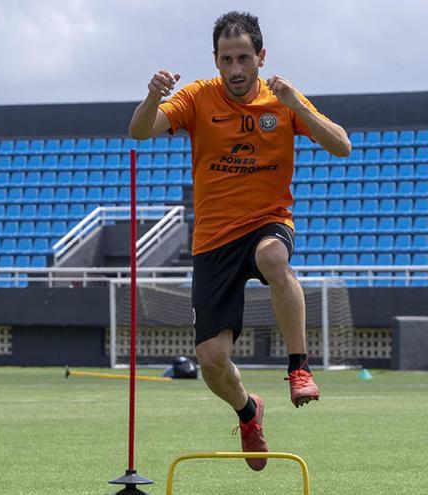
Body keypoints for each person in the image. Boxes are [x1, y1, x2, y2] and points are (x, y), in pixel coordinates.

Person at [128, 11, 351, 471]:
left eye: (243, 58)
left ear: (260, 57)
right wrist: (152, 96)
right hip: (213, 240)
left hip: (269, 220)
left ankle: (298, 367)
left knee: (273, 256)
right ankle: (249, 411)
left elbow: (342, 145)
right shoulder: (196, 98)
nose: (235, 69)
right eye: (226, 59)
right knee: (211, 360)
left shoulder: (282, 98)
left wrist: (299, 107)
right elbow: (139, 131)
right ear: (215, 60)